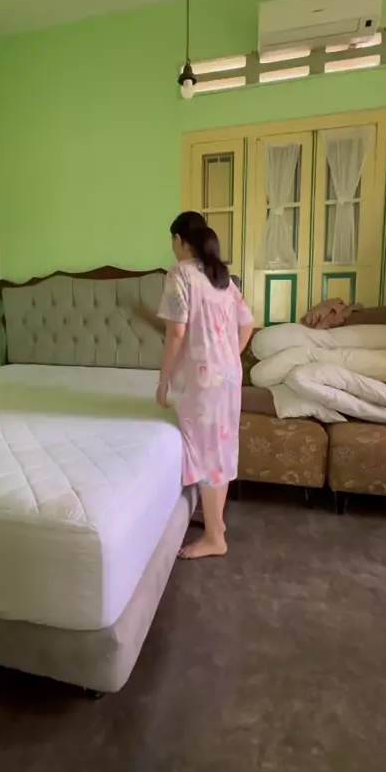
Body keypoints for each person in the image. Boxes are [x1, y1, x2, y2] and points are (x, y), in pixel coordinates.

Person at [156, 211, 254, 559]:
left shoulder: (180, 274)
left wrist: (163, 381)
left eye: (172, 241)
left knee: (207, 450)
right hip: (228, 375)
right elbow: (248, 323)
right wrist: (228, 355)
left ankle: (214, 537)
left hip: (204, 378)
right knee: (221, 446)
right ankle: (217, 524)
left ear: (179, 239)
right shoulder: (221, 277)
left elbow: (176, 333)